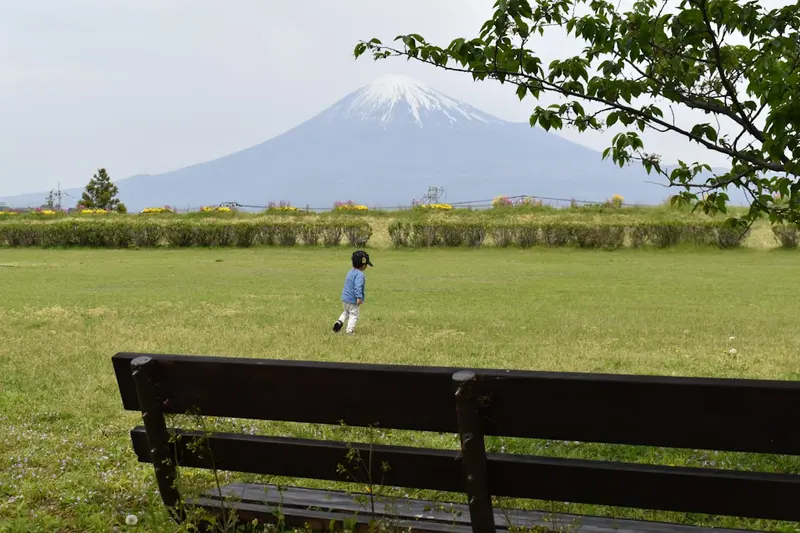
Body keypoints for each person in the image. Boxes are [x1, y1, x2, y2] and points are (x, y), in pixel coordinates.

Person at [333, 250, 373, 335]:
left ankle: (339, 322)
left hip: (345, 298)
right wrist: (359, 297)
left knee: (346, 312)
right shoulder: (360, 275)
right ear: (363, 265)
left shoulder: (350, 272)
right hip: (353, 299)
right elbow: (357, 287)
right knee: (354, 314)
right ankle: (349, 331)